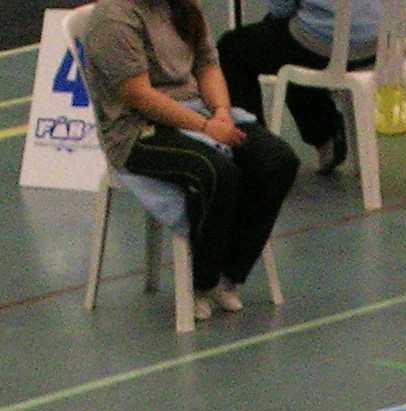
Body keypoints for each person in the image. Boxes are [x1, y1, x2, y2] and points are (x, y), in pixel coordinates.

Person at [84, 0, 300, 321]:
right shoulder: (112, 18)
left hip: (199, 111)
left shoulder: (184, 6)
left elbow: (208, 65)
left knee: (277, 161)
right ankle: (201, 281)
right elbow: (139, 95)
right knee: (216, 172)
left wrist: (222, 113)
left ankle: (230, 272)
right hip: (137, 130)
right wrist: (205, 127)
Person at [215, 0, 379, 172]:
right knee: (284, 37)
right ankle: (324, 132)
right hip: (377, 42)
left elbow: (281, 9)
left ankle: (255, 151)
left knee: (232, 48)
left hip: (324, 43)